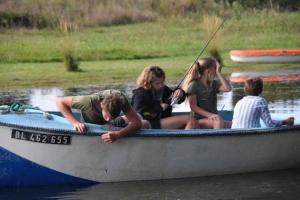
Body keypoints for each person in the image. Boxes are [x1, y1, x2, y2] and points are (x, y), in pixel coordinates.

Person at [56, 89, 143, 143]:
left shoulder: (121, 100)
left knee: (144, 122)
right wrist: (75, 123)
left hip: (110, 125)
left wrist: (118, 135)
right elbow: (60, 102)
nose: (108, 118)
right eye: (107, 115)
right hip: (92, 126)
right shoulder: (87, 101)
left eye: (112, 116)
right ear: (101, 105)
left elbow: (137, 123)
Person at [131, 65, 199, 129]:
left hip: (161, 121)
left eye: (162, 82)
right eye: (157, 83)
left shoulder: (163, 89)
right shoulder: (140, 94)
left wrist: (180, 93)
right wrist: (159, 108)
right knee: (190, 120)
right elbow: (139, 114)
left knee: (192, 123)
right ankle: (187, 141)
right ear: (148, 82)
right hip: (149, 123)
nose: (160, 85)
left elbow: (176, 100)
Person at [182, 57, 232, 129]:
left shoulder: (213, 84)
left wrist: (219, 73)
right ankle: (217, 140)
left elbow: (227, 88)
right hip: (198, 120)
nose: (215, 73)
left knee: (234, 124)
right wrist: (210, 115)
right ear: (208, 71)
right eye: (215, 70)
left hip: (213, 118)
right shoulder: (194, 85)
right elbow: (193, 106)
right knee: (218, 121)